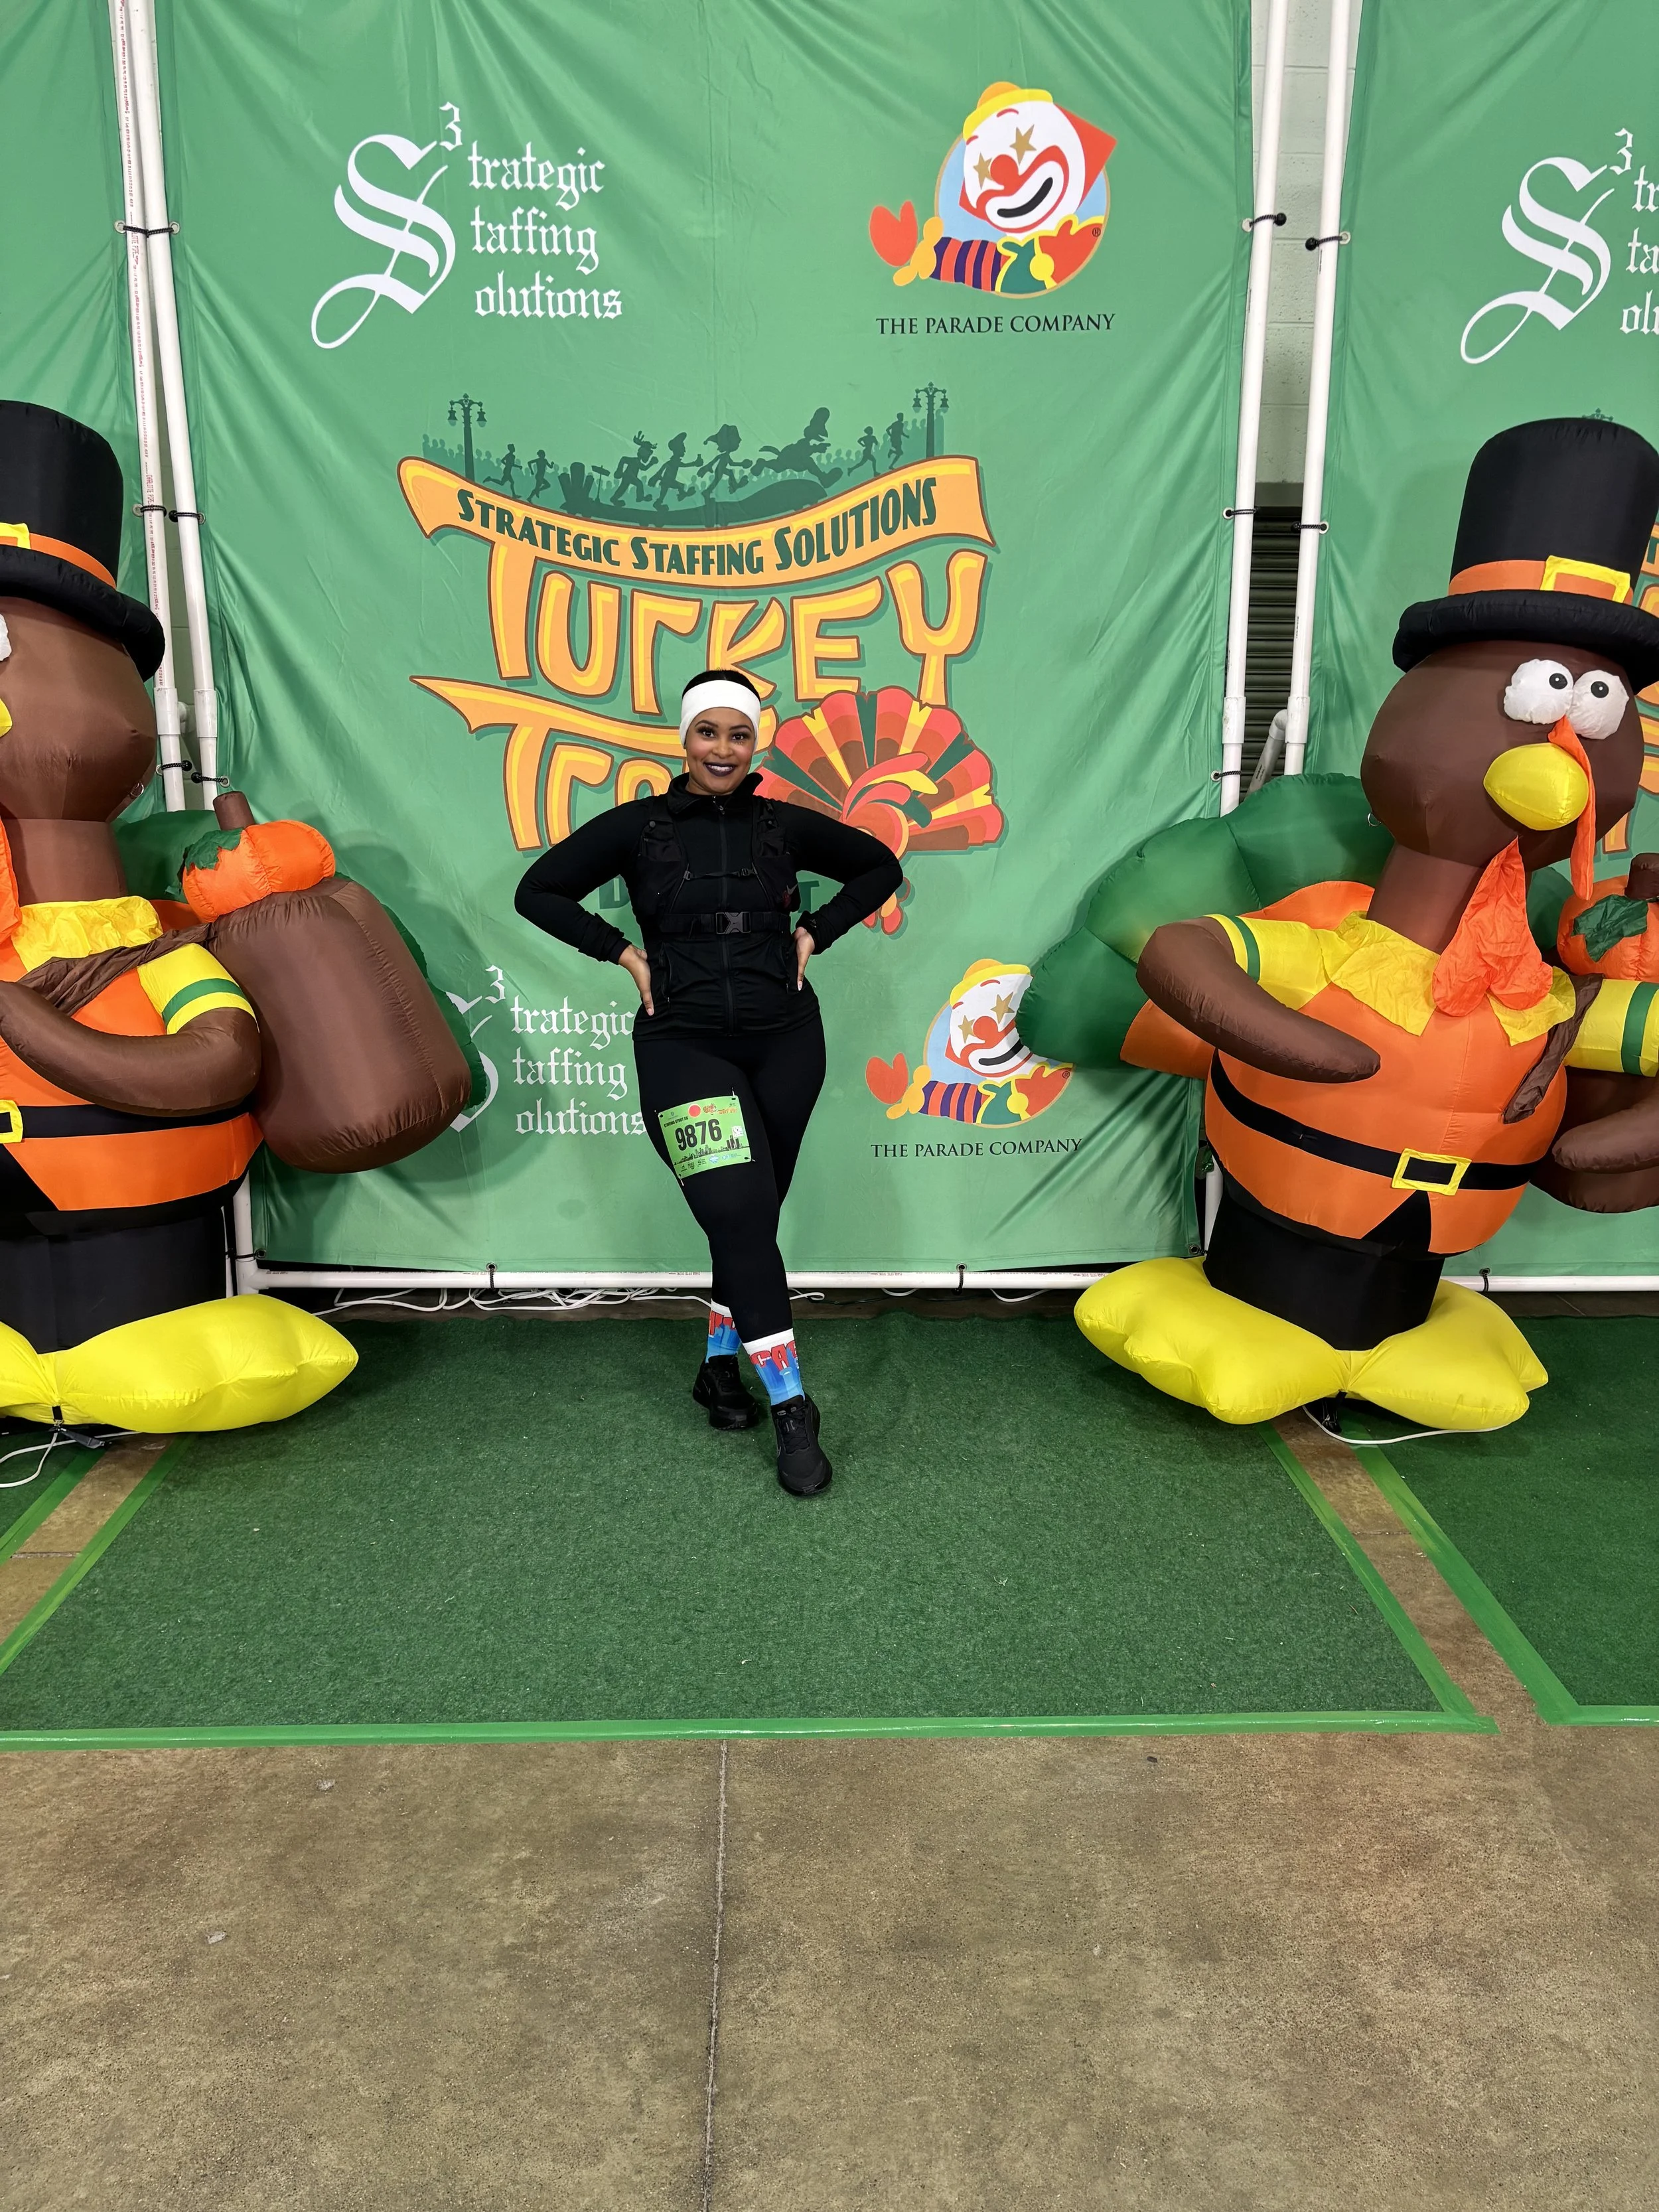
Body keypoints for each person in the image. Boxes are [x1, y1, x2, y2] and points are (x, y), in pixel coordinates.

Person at [515, 668, 902, 1494]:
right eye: (707, 733)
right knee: (735, 1209)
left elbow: (876, 866)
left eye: (737, 734)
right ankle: (794, 1407)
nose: (722, 749)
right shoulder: (637, 828)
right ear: (683, 739)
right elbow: (537, 890)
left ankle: (719, 1370)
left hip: (788, 1041)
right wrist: (621, 953)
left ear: (752, 742)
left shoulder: (783, 826)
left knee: (749, 1223)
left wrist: (815, 933)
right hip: (683, 1045)